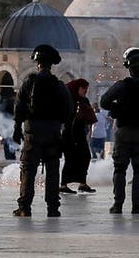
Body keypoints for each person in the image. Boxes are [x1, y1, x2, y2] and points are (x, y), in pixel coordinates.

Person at [13, 44, 73, 217]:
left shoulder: (29, 83)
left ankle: (24, 207)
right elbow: (68, 110)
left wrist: (17, 128)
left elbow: (19, 107)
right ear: (51, 64)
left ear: (37, 63)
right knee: (53, 170)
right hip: (53, 133)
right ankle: (53, 208)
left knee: (28, 170)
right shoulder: (59, 85)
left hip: (32, 133)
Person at [99, 47, 139, 215]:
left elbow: (104, 102)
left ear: (129, 67)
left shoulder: (122, 86)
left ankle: (118, 205)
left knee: (120, 169)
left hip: (123, 131)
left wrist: (117, 107)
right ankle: (137, 205)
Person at [60, 78, 97, 194]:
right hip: (69, 133)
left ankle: (82, 183)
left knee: (85, 156)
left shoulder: (83, 100)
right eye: (84, 88)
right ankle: (63, 184)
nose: (86, 90)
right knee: (70, 159)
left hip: (80, 133)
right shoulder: (69, 99)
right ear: (78, 88)